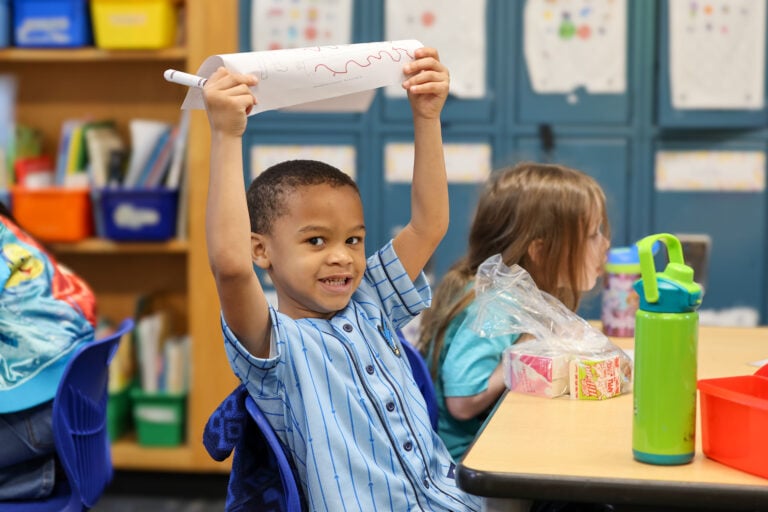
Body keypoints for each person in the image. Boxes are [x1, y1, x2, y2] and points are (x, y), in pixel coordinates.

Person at [202, 47, 482, 511]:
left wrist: (427, 116)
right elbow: (230, 268)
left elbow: (429, 226)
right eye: (316, 242)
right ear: (261, 250)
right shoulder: (276, 346)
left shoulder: (371, 299)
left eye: (353, 240)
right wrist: (226, 134)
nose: (343, 258)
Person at [418, 162, 611, 461]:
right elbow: (462, 401)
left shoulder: (520, 296)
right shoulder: (494, 305)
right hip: (471, 465)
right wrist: (528, 348)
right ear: (540, 250)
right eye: (592, 235)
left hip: (503, 446)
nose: (605, 244)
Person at [0, 203, 96, 501]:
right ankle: (32, 474)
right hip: (75, 403)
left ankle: (29, 480)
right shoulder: (11, 230)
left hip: (38, 417)